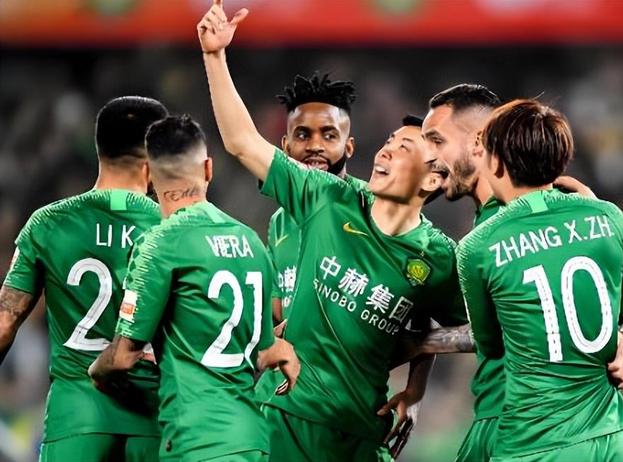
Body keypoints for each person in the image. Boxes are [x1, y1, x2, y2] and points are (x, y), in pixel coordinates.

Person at [197, 3, 467, 460]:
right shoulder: (327, 197)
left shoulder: (438, 256)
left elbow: (461, 324)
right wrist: (214, 57)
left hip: (362, 427)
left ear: (432, 179)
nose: (384, 152)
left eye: (403, 148)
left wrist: (416, 386)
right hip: (287, 414)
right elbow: (242, 142)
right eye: (387, 143)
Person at [420, 85, 623, 461]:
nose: (428, 156)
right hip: (599, 427)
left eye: (436, 141)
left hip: (526, 426)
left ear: (481, 145)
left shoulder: (488, 238)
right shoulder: (588, 211)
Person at [89, 115, 300, 462]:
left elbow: (124, 356)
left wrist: (97, 370)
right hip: (251, 438)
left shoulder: (159, 244)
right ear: (208, 169)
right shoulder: (252, 241)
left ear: (147, 174)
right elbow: (262, 351)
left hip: (196, 439)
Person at [0, 96, 168, 461]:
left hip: (75, 418)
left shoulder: (48, 223)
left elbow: (5, 323)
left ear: (100, 150)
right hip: (154, 421)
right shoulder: (173, 228)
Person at [268, 71, 362, 322]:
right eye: (303, 135)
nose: (315, 146)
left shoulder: (369, 205)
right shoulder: (279, 221)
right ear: (285, 146)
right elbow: (278, 306)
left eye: (329, 135)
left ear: (349, 147)